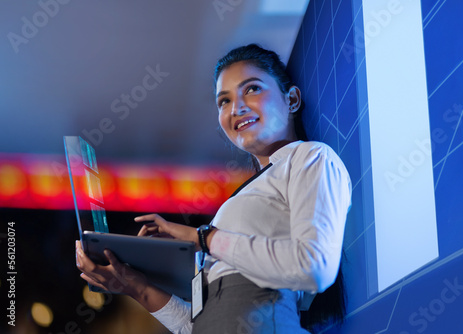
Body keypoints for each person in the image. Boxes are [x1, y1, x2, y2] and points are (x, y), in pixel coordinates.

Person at [76, 44, 352, 333]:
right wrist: (137, 288)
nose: (237, 108)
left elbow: (314, 266)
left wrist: (204, 238)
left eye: (253, 89)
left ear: (292, 99)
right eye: (224, 101)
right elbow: (202, 326)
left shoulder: (311, 157)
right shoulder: (237, 202)